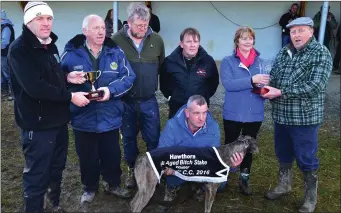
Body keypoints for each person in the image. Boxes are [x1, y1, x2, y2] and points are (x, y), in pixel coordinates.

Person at [7, 2, 90, 212]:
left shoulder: (47, 45)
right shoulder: (19, 50)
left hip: (58, 121)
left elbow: (48, 77)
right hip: (38, 125)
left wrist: (66, 76)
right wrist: (70, 96)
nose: (46, 23)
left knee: (56, 168)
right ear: (28, 21)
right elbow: (36, 88)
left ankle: (54, 205)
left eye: (49, 18)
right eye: (40, 18)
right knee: (37, 175)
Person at [61, 14, 136, 203]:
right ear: (85, 31)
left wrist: (110, 91)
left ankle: (113, 184)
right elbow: (56, 80)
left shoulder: (115, 52)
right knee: (87, 157)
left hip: (109, 117)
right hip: (82, 118)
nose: (102, 31)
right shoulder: (70, 54)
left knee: (111, 154)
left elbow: (129, 77)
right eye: (96, 28)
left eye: (103, 27)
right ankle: (89, 187)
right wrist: (67, 78)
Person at [262, 17, 333, 213]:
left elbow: (315, 86)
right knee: (283, 152)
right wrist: (266, 88)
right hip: (281, 115)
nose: (296, 35)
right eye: (293, 32)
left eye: (300, 30)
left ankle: (310, 198)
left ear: (311, 31)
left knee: (306, 157)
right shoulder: (284, 52)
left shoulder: (320, 53)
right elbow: (274, 75)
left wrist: (281, 91)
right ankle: (284, 185)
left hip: (304, 118)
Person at [157, 95, 244, 211]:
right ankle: (172, 189)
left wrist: (232, 165)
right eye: (196, 113)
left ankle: (200, 188)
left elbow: (215, 157)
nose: (202, 118)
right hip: (179, 167)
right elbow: (162, 153)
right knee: (170, 177)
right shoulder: (172, 125)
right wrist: (167, 167)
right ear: (187, 113)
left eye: (204, 113)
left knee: (221, 183)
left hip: (201, 167)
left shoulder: (213, 127)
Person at [112, 2, 165, 190]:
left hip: (149, 100)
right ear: (129, 22)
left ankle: (151, 171)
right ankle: (132, 171)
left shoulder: (157, 40)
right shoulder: (116, 40)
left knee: (153, 137)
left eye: (146, 24)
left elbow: (161, 66)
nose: (143, 29)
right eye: (139, 25)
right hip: (125, 101)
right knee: (128, 138)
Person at [220, 26, 269, 196]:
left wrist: (266, 90)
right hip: (233, 112)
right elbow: (228, 84)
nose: (247, 41)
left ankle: (244, 178)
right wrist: (251, 80)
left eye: (250, 38)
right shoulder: (228, 61)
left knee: (248, 146)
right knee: (229, 144)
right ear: (237, 41)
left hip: (254, 112)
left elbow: (265, 84)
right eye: (243, 38)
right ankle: (223, 177)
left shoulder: (261, 62)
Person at [160, 27, 219, 119]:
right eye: (188, 42)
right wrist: (173, 97)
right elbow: (164, 84)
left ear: (199, 44)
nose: (193, 45)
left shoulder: (208, 61)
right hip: (177, 109)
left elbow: (213, 84)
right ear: (181, 44)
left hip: (199, 111)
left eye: (195, 42)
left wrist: (204, 97)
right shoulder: (169, 61)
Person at [1, 9, 15, 100]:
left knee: (7, 73)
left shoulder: (6, 27)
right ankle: (4, 92)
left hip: (5, 54)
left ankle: (13, 93)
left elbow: (4, 42)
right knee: (2, 73)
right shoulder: (2, 26)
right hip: (2, 53)